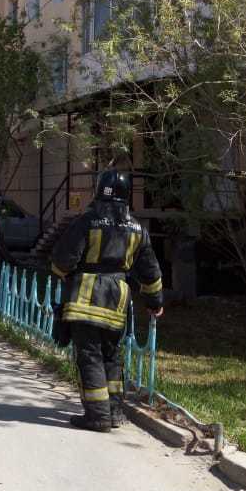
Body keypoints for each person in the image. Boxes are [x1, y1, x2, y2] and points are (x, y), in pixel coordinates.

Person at [51, 169, 164, 432]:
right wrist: (155, 302)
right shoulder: (138, 228)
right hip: (117, 302)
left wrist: (62, 274)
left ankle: (97, 415)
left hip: (85, 300)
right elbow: (151, 271)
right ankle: (113, 413)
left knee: (89, 357)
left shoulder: (86, 221)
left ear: (99, 192)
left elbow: (61, 261)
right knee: (112, 357)